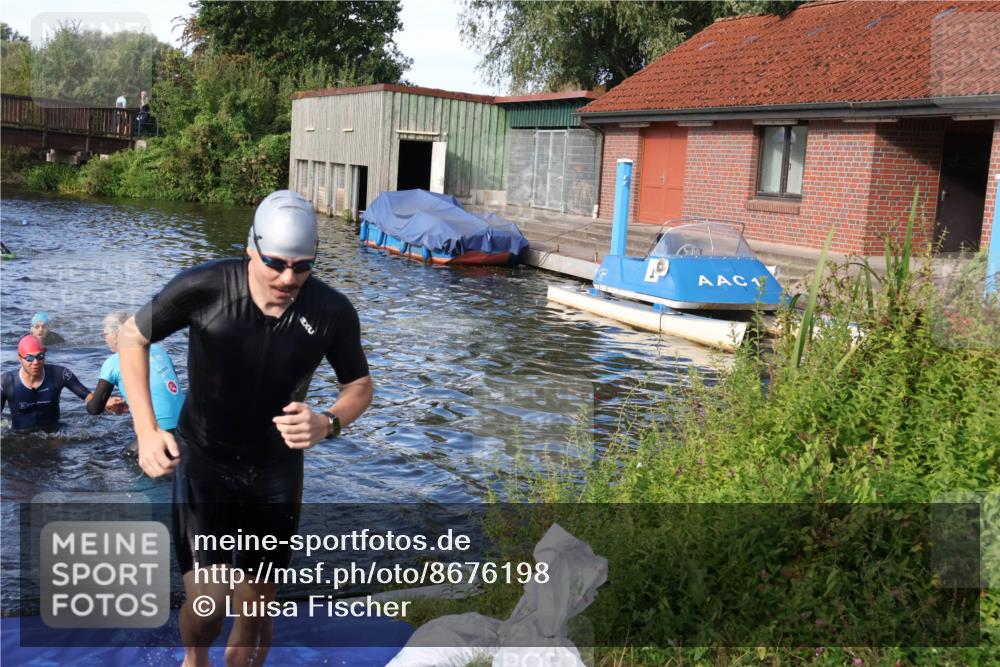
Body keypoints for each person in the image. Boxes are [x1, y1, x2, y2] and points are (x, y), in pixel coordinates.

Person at [119, 189, 373, 666]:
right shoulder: (205, 287)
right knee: (210, 604)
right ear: (250, 247)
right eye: (275, 263)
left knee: (254, 612)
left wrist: (328, 422)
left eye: (303, 266)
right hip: (205, 462)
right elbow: (133, 337)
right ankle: (195, 660)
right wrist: (147, 430)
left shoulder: (332, 311)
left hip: (274, 469)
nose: (288, 278)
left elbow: (359, 385)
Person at [86, 311, 184, 456]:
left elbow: (94, 409)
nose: (105, 339)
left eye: (105, 334)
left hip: (161, 430)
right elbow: (166, 390)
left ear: (116, 336)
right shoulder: (159, 350)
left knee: (125, 457)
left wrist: (96, 401)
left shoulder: (113, 362)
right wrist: (128, 401)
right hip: (187, 425)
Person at [1, 335, 93, 431]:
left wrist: (105, 403)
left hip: (53, 434)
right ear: (19, 358)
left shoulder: (59, 374)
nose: (36, 362)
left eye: (40, 356)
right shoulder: (6, 382)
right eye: (29, 358)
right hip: (19, 437)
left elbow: (89, 398)